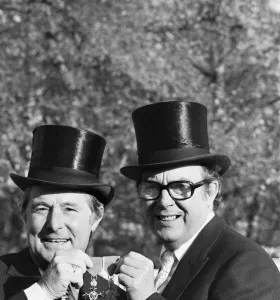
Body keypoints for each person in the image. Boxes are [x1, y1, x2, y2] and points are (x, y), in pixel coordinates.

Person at [117, 101, 280, 300]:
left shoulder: (247, 265)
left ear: (210, 191)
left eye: (181, 187)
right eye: (152, 187)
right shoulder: (169, 262)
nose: (164, 201)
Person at [0, 125, 115, 300]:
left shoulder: (113, 287)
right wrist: (45, 291)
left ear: (96, 218)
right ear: (24, 214)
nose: (54, 224)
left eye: (69, 209)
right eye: (42, 208)